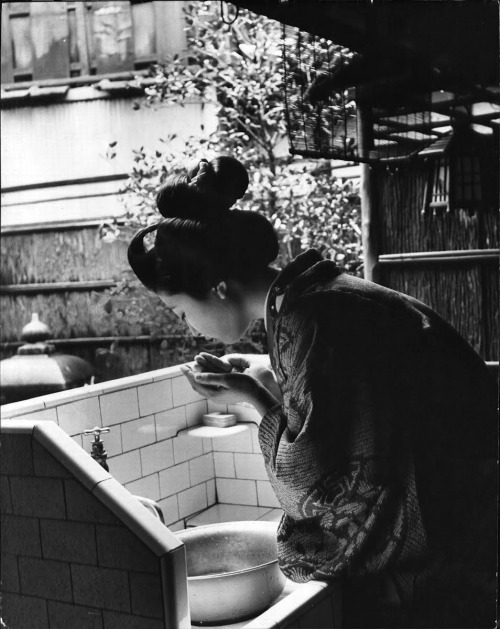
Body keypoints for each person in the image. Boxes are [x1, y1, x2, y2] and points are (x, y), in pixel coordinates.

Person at [128, 156, 497, 628]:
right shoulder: (318, 299)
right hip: (467, 512)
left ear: (218, 287)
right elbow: (350, 419)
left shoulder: (308, 320)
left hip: (446, 541)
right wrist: (257, 384)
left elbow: (315, 482)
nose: (192, 329)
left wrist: (256, 399)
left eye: (181, 313)